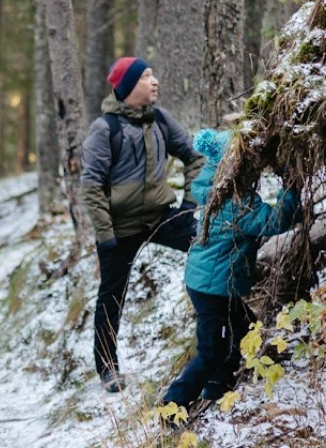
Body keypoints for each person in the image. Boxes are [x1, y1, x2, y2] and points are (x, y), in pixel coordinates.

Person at [81, 56, 204, 393]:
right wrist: (105, 234)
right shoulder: (105, 128)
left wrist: (189, 204)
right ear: (128, 87)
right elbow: (91, 186)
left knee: (207, 247)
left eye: (153, 74)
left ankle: (219, 331)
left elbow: (194, 157)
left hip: (160, 217)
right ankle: (108, 369)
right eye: (146, 76)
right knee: (112, 295)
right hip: (119, 228)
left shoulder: (160, 119)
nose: (155, 81)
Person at [161, 129, 300, 419]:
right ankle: (172, 408)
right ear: (236, 167)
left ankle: (219, 385)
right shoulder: (236, 203)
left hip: (209, 282)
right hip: (214, 288)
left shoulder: (218, 190)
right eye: (250, 164)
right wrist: (292, 188)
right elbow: (273, 221)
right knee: (211, 349)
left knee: (245, 326)